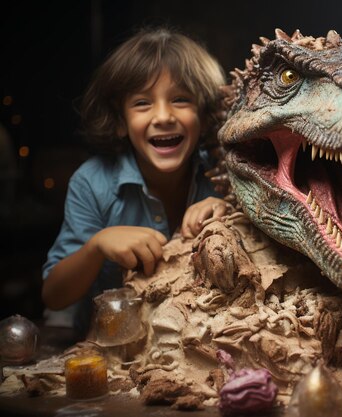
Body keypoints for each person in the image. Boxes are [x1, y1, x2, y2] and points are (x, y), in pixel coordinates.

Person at [42, 27, 228, 334]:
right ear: (119, 122)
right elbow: (53, 295)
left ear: (205, 115)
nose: (163, 116)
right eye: (143, 103)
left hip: (200, 350)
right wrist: (96, 246)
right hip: (112, 354)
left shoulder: (224, 175)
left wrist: (228, 212)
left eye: (181, 99)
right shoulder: (91, 182)